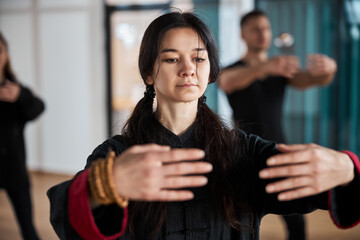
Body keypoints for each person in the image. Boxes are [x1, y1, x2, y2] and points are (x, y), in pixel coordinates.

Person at [47, 11, 359, 240]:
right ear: (149, 73)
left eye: (198, 58)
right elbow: (65, 215)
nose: (187, 69)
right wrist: (106, 185)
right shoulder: (118, 154)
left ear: (209, 70)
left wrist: (347, 169)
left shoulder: (243, 152)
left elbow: (323, 186)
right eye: (171, 59)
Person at [218, 10, 338, 240]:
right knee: (241, 224)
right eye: (255, 29)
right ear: (243, 34)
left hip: (278, 152)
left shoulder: (280, 70)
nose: (262, 33)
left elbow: (310, 79)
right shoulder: (234, 69)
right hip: (241, 156)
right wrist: (264, 68)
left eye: (265, 28)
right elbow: (225, 82)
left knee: (296, 223)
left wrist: (328, 71)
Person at [0, 32, 44, 240]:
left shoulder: (14, 89)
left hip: (14, 168)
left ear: (6, 54)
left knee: (28, 229)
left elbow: (37, 108)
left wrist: (20, 96)